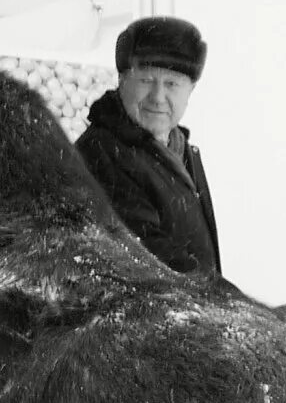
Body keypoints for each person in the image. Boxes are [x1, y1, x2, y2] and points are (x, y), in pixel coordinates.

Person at [75, 15, 221, 277]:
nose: (158, 97)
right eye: (146, 80)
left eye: (172, 84)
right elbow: (152, 260)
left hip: (194, 312)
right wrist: (232, 304)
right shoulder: (103, 153)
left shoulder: (180, 149)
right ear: (122, 79)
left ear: (191, 89)